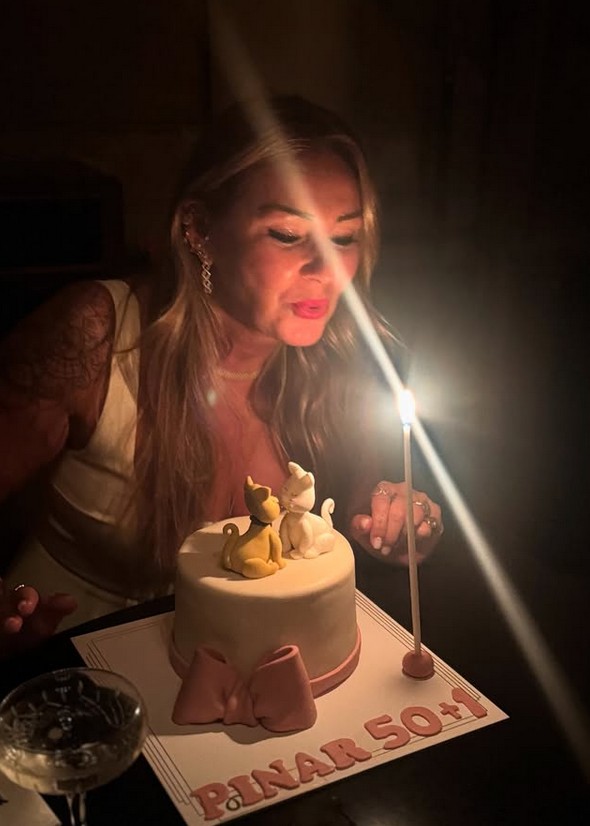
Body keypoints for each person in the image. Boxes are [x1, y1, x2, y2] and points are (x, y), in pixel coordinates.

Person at [0, 95, 443, 658]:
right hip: (70, 663)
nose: (327, 269)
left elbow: (362, 505)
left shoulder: (340, 354)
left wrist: (394, 519)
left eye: (344, 238)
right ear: (200, 229)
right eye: (287, 234)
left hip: (254, 663)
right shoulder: (95, 335)